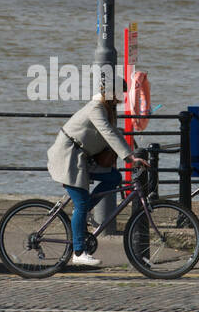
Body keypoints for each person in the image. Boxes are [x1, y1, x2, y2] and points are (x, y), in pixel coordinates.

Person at [47, 86, 149, 268]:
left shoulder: (107, 109)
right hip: (69, 158)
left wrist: (129, 147)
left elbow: (113, 130)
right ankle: (78, 252)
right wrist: (130, 157)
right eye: (120, 94)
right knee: (81, 203)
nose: (122, 99)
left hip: (82, 159)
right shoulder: (96, 108)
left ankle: (84, 212)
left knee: (113, 178)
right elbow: (107, 132)